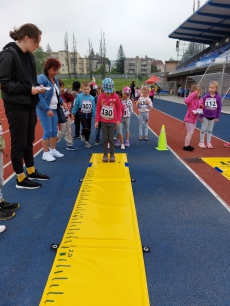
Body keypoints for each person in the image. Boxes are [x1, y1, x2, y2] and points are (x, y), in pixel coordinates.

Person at [0, 23, 49, 189]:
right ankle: (20, 178)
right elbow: (4, 84)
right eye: (36, 42)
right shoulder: (8, 55)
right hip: (16, 106)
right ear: (27, 38)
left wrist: (37, 88)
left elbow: (30, 81)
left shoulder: (29, 55)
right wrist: (29, 89)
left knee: (29, 139)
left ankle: (31, 169)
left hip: (29, 103)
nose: (38, 45)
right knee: (19, 142)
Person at [37, 58, 67, 161]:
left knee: (55, 131)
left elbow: (57, 95)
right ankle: (45, 153)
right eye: (54, 69)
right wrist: (47, 109)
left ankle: (53, 150)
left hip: (54, 109)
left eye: (57, 70)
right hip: (44, 110)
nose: (56, 72)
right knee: (48, 131)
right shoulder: (41, 79)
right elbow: (39, 96)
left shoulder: (55, 81)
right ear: (48, 68)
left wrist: (62, 102)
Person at [95, 78, 121, 162]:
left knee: (111, 139)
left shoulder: (116, 96)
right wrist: (97, 120)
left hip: (112, 121)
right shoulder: (100, 97)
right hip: (104, 121)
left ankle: (112, 154)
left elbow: (119, 108)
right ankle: (105, 155)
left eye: (110, 91)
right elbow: (98, 109)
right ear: (103, 89)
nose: (108, 93)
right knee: (105, 139)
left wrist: (118, 119)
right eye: (106, 92)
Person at [72, 81, 96, 148]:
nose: (86, 91)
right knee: (85, 127)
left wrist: (95, 117)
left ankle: (84, 135)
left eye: (87, 89)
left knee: (89, 129)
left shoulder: (92, 98)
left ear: (90, 89)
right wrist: (73, 113)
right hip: (81, 114)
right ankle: (87, 142)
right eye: (84, 89)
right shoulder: (79, 96)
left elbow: (93, 108)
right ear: (82, 89)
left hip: (89, 114)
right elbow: (76, 105)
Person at [198, 81, 222, 148]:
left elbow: (219, 108)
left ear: (216, 89)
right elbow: (201, 106)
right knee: (203, 129)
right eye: (210, 87)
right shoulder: (205, 97)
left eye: (213, 88)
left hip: (213, 116)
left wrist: (218, 117)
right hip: (205, 116)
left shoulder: (218, 98)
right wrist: (200, 116)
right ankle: (201, 142)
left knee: (210, 130)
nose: (211, 89)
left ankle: (208, 142)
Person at [57, 79, 78, 151]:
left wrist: (65, 93)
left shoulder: (65, 95)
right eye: (60, 87)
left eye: (62, 87)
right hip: (60, 117)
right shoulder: (56, 96)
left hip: (67, 115)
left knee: (69, 130)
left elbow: (72, 98)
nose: (61, 89)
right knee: (61, 132)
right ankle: (52, 143)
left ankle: (69, 144)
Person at [183, 85, 203, 151]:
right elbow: (186, 101)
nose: (197, 93)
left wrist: (201, 107)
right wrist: (193, 93)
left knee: (192, 132)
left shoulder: (199, 99)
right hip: (189, 117)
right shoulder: (190, 98)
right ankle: (186, 145)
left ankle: (187, 144)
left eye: (198, 92)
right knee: (190, 132)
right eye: (196, 92)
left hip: (195, 118)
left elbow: (200, 105)